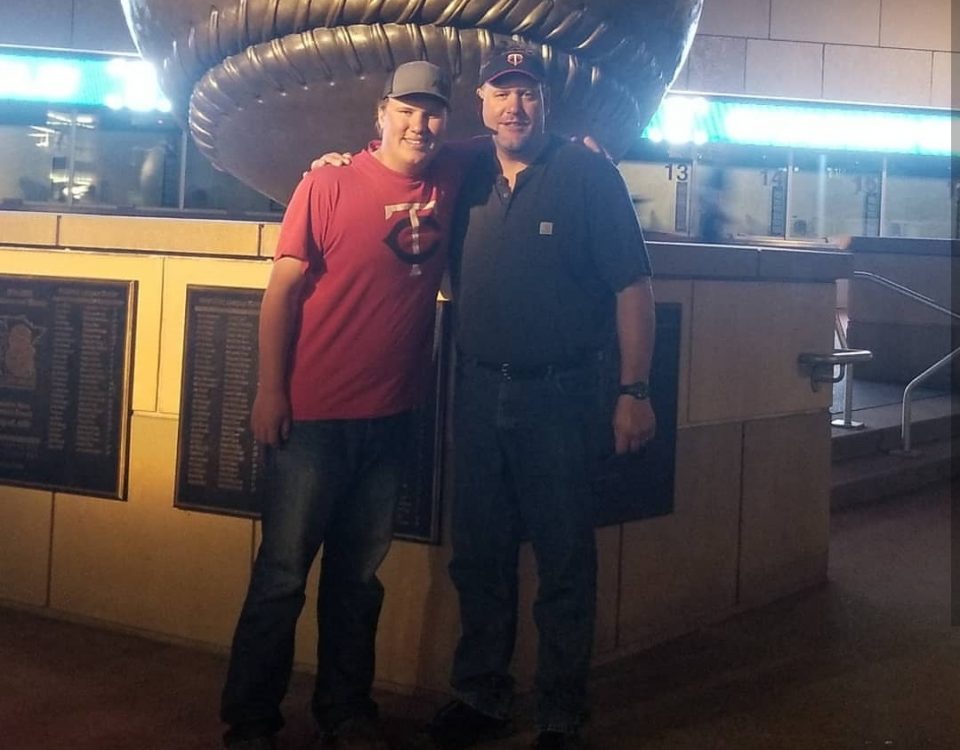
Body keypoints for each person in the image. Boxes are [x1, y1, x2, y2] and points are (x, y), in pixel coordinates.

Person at [313, 43, 656, 750]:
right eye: (502, 93)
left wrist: (634, 389)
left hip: (560, 397)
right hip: (474, 391)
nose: (514, 106)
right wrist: (338, 160)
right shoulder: (462, 169)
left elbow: (634, 288)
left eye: (526, 93)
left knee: (564, 559)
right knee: (480, 555)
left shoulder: (589, 174)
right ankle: (482, 695)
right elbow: (396, 151)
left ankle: (561, 709)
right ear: (484, 104)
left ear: (546, 102)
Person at [220, 60, 459, 750]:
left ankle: (345, 712)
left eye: (433, 112)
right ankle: (250, 721)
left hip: (391, 420)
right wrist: (271, 390)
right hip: (314, 420)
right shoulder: (326, 183)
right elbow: (282, 294)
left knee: (358, 582)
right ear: (381, 112)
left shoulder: (449, 177)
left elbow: (515, 138)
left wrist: (580, 147)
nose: (420, 123)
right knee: (282, 577)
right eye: (407, 109)